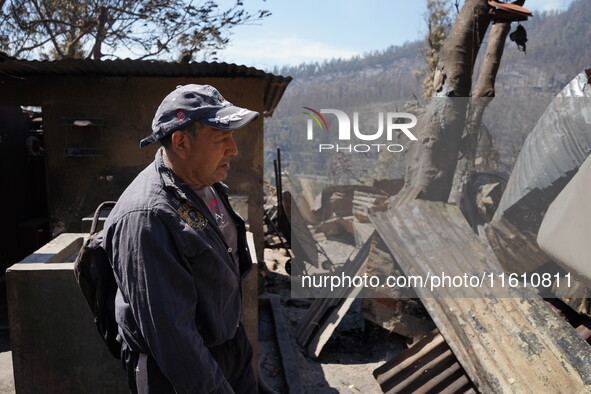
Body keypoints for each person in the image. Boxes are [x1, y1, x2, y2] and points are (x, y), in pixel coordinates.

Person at [102, 84, 259, 393]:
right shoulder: (147, 216)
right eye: (221, 138)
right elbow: (173, 339)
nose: (233, 149)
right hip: (178, 375)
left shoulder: (204, 184)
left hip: (225, 349)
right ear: (181, 142)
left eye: (232, 137)